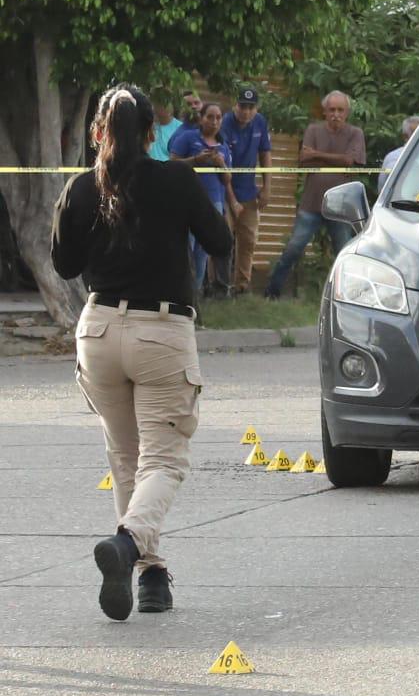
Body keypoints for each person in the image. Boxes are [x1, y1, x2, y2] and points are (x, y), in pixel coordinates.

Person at [50, 84, 232, 620]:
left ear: (96, 133)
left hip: (99, 331)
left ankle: (151, 578)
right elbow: (220, 244)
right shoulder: (177, 178)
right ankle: (129, 545)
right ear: (153, 133)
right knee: (165, 460)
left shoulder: (83, 188)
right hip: (161, 330)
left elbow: (63, 265)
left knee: (126, 457)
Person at [264, 91, 365, 299]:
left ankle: (347, 297)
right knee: (293, 248)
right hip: (311, 203)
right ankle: (271, 293)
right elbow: (303, 160)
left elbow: (349, 161)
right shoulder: (313, 130)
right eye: (331, 110)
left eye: (340, 110)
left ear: (346, 113)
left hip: (341, 207)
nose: (335, 114)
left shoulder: (356, 133)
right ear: (325, 112)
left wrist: (317, 155)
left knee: (344, 254)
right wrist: (334, 159)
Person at [169, 103, 239, 296]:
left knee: (203, 252)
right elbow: (172, 164)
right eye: (210, 117)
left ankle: (195, 294)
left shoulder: (223, 146)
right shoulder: (187, 138)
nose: (214, 122)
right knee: (187, 248)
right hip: (188, 199)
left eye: (218, 118)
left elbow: (227, 179)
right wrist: (196, 160)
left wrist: (221, 164)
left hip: (213, 202)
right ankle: (180, 293)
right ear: (201, 118)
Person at [219, 87, 273, 295]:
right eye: (243, 106)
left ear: (256, 108)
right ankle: (220, 286)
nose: (246, 111)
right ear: (236, 105)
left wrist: (267, 187)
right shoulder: (224, 123)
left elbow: (265, 153)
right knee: (223, 239)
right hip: (225, 190)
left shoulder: (260, 121)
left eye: (251, 107)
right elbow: (222, 166)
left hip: (249, 192)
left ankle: (242, 286)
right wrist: (232, 200)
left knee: (249, 240)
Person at [147, 96, 183, 162]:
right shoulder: (146, 125)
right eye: (158, 103)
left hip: (168, 169)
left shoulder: (180, 128)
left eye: (166, 103)